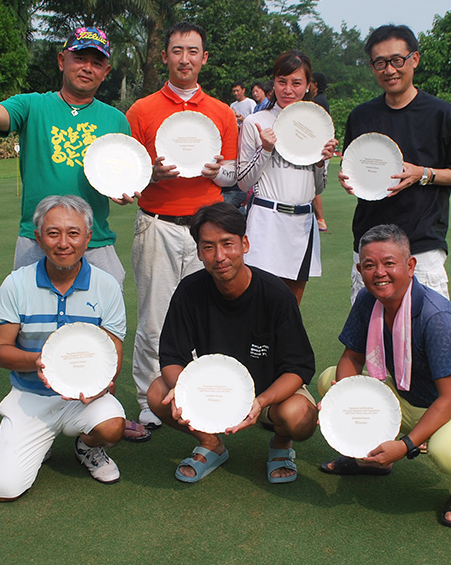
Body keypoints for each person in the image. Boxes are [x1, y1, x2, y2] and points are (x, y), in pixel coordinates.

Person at [318, 224, 451, 528]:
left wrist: (405, 446)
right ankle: (369, 457)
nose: (379, 273)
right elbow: (352, 357)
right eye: (370, 265)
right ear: (360, 269)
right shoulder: (367, 299)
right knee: (331, 381)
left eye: (389, 263)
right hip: (406, 393)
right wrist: (344, 407)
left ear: (410, 266)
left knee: (448, 451)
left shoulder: (435, 317)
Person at [147, 203, 317, 483]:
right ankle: (211, 443)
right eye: (209, 247)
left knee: (299, 416)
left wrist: (261, 401)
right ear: (199, 252)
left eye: (228, 244)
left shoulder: (276, 294)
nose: (220, 256)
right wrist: (183, 390)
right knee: (157, 393)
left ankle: (281, 442)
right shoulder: (190, 291)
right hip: (213, 394)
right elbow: (171, 356)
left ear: (245, 243)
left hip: (268, 396)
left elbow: (298, 367)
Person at [125, 22, 239, 430]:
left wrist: (217, 171)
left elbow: (231, 173)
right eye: (177, 50)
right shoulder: (141, 110)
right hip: (157, 223)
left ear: (204, 58)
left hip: (207, 230)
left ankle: (200, 395)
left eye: (193, 51)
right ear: (165, 57)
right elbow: (131, 175)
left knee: (206, 316)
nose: (185, 58)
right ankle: (148, 398)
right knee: (154, 317)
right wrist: (151, 174)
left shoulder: (222, 113)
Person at [0, 195, 130, 501]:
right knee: (4, 488)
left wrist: (102, 386)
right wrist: (39, 361)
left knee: (112, 426)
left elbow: (113, 352)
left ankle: (87, 447)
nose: (63, 243)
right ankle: (41, 440)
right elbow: (0, 351)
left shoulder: (106, 286)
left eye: (73, 233)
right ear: (38, 238)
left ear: (88, 238)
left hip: (84, 397)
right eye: (53, 233)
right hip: (31, 397)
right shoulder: (16, 284)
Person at [0, 26, 130, 285]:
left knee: (104, 320)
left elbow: (122, 175)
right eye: (80, 58)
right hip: (36, 239)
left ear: (106, 72)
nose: (87, 67)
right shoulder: (31, 105)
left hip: (94, 240)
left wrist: (125, 189)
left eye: (97, 63)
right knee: (29, 320)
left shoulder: (117, 120)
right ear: (62, 61)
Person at [340, 24, 451, 303]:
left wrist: (422, 174)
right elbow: (353, 166)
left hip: (420, 246)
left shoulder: (440, 113)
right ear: (371, 66)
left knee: (426, 336)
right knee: (369, 338)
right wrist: (349, 179)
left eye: (396, 60)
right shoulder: (361, 116)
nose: (389, 70)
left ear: (414, 59)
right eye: (380, 63)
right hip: (369, 244)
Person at [237, 50, 337, 304]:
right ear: (274, 83)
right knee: (258, 305)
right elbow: (243, 181)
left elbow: (319, 187)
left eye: (296, 83)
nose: (288, 90)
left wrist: (320, 163)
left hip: (303, 224)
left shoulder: (318, 126)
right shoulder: (256, 122)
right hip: (265, 222)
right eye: (282, 82)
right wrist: (265, 150)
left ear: (307, 86)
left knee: (291, 309)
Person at [308, 72, 330, 232]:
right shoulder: (318, 100)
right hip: (317, 148)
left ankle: (320, 219)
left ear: (315, 84)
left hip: (318, 150)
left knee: (314, 186)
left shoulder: (318, 102)